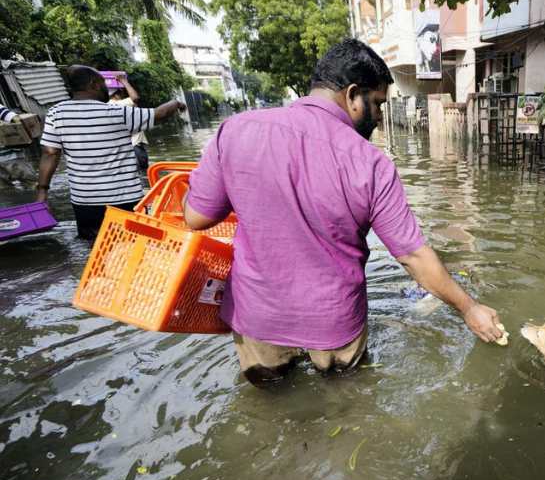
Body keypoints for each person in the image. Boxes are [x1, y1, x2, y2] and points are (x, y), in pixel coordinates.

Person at [183, 39, 504, 386]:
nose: (380, 117)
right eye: (378, 103)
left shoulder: (236, 131)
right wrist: (469, 308)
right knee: (345, 405)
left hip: (259, 316)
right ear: (353, 94)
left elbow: (196, 218)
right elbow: (412, 255)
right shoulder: (371, 164)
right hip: (334, 321)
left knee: (271, 403)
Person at [36, 65, 185, 239]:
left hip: (85, 202)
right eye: (103, 83)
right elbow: (159, 114)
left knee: (95, 248)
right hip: (125, 199)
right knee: (132, 244)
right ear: (93, 84)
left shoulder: (56, 113)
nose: (106, 88)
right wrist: (176, 103)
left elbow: (50, 153)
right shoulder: (118, 112)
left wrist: (42, 192)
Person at [108, 73, 151, 171]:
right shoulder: (119, 104)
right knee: (144, 174)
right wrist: (124, 81)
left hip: (124, 149)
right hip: (134, 147)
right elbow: (135, 98)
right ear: (118, 93)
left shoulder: (107, 106)